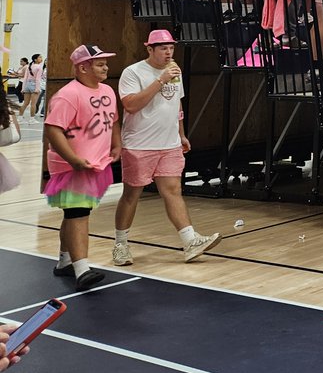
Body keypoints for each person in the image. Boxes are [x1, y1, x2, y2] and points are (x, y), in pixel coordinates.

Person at [113, 30, 221, 265]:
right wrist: (160, 79)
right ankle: (121, 244)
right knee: (131, 195)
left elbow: (176, 103)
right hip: (139, 145)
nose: (168, 52)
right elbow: (131, 105)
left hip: (169, 144)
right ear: (149, 49)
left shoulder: (175, 71)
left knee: (173, 191)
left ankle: (190, 241)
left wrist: (181, 134)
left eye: (171, 47)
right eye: (162, 48)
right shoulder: (133, 72)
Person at [45, 44, 122, 290]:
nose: (105, 68)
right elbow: (53, 128)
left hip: (95, 164)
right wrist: (72, 159)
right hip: (72, 166)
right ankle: (82, 270)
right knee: (78, 213)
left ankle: (64, 261)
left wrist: (116, 144)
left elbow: (114, 120)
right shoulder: (69, 95)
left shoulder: (108, 90)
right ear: (83, 67)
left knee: (74, 212)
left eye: (105, 63)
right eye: (100, 64)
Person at [17, 53, 44, 118]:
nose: (41, 59)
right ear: (35, 59)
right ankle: (32, 119)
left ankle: (20, 117)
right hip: (34, 85)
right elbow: (37, 79)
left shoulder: (29, 66)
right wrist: (37, 88)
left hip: (27, 85)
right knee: (33, 104)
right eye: (40, 57)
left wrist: (23, 88)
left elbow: (25, 78)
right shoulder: (39, 67)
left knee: (25, 103)